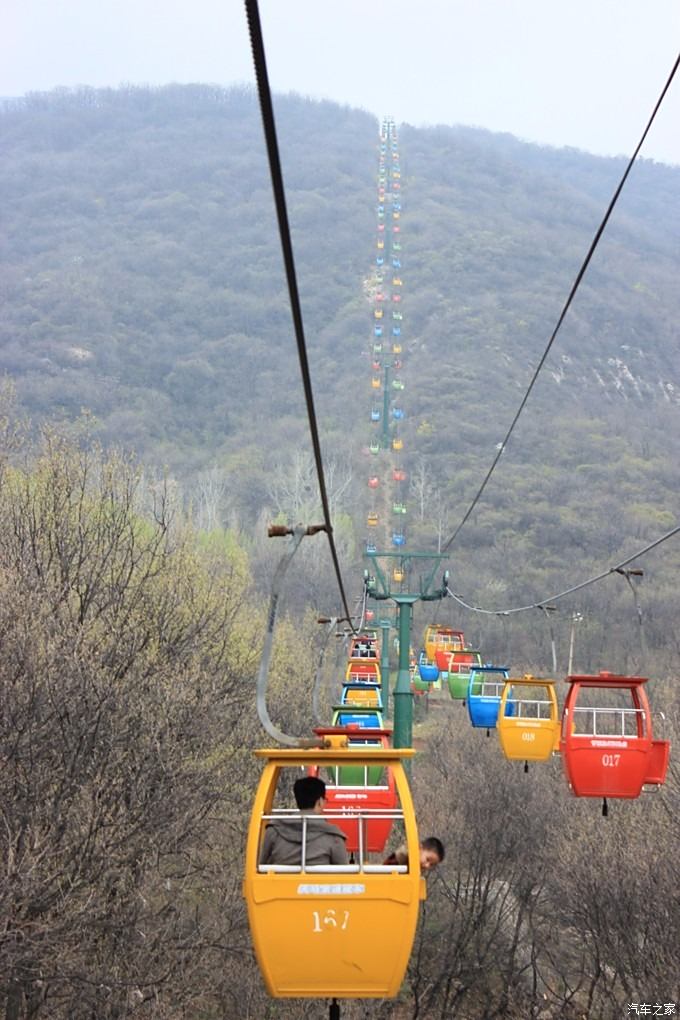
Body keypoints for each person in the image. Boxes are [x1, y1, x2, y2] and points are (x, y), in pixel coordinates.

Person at [259, 776, 349, 867]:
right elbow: (344, 874)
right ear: (320, 801)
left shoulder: (274, 831)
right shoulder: (334, 837)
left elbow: (260, 866)